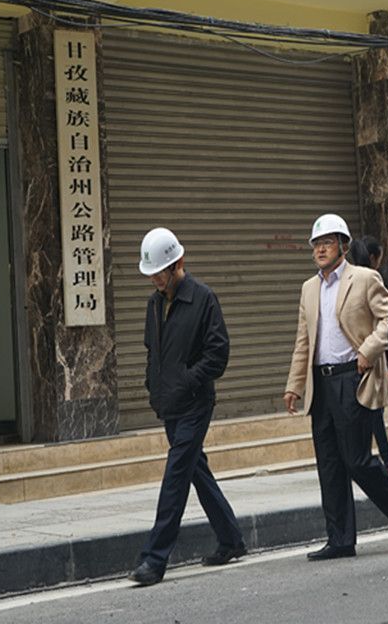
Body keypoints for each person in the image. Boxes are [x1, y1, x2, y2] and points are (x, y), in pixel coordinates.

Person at [284, 215, 388, 560]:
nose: (320, 249)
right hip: (321, 383)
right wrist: (295, 385)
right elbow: (303, 341)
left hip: (353, 378)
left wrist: (368, 350)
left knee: (356, 459)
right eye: (316, 244)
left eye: (327, 242)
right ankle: (340, 539)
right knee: (329, 463)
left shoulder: (364, 278)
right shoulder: (308, 289)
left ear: (343, 246)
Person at [128, 228, 245, 586]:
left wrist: (187, 381)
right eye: (150, 273)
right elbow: (153, 351)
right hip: (170, 404)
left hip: (195, 403)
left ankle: (154, 559)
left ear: (178, 263)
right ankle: (231, 539)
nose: (155, 279)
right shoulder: (154, 304)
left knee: (176, 476)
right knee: (196, 471)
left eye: (159, 273)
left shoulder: (203, 298)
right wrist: (154, 386)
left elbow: (218, 354)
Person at [350, 235, 388, 466]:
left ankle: (385, 457)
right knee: (372, 412)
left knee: (371, 413)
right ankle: (387, 457)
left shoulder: (352, 280)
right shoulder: (371, 278)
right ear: (374, 257)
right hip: (367, 359)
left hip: (362, 358)